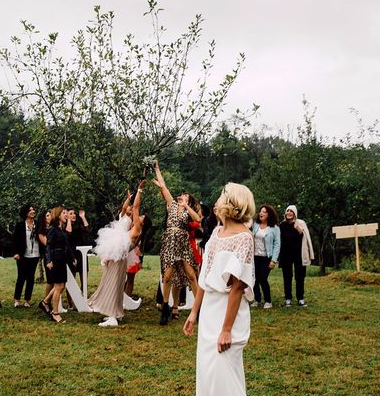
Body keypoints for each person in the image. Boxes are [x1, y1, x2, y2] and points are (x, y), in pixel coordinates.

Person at [183, 182, 256, 396]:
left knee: (223, 368)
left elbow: (237, 287)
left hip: (228, 313)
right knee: (207, 369)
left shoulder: (244, 237)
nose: (217, 199)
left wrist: (226, 330)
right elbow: (205, 275)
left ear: (232, 202)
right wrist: (195, 312)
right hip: (209, 311)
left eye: (222, 194)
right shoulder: (216, 233)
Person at [88, 182, 148, 326]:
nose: (140, 216)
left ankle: (112, 317)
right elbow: (129, 209)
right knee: (115, 283)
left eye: (142, 217)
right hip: (118, 258)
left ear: (142, 223)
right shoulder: (131, 229)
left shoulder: (137, 230)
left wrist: (140, 190)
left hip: (118, 258)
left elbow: (136, 207)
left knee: (113, 284)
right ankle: (116, 313)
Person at [153, 160, 202, 326]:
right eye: (183, 195)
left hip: (182, 243)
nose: (183, 197)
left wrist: (186, 206)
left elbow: (198, 219)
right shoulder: (171, 204)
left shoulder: (189, 211)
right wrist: (157, 169)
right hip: (169, 242)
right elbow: (163, 186)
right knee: (167, 276)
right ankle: (166, 308)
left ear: (189, 200)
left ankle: (199, 308)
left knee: (191, 275)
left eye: (187, 197)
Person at [42, 207, 75, 323]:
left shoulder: (61, 230)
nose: (66, 215)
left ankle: (45, 302)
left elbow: (67, 245)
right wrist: (49, 261)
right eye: (64, 213)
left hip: (62, 260)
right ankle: (55, 313)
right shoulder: (53, 229)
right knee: (59, 287)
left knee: (61, 286)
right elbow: (48, 246)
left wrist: (72, 258)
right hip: (55, 260)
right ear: (58, 215)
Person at [278, 205, 314, 307]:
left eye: (291, 211)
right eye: (287, 211)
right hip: (286, 255)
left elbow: (306, 239)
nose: (289, 213)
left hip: (299, 255)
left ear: (295, 213)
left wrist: (299, 230)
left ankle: (300, 298)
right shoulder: (282, 225)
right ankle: (288, 298)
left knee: (300, 277)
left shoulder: (300, 223)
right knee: (287, 277)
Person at [250, 205, 281, 309]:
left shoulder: (274, 228)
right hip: (255, 256)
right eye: (260, 212)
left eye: (264, 212)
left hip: (266, 257)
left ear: (269, 215)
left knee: (262, 278)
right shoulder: (255, 225)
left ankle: (268, 301)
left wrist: (273, 260)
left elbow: (277, 244)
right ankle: (257, 300)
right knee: (254, 279)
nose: (261, 213)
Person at [12, 204, 40, 308]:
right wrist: (15, 253)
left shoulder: (37, 224)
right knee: (21, 277)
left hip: (35, 254)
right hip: (23, 255)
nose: (33, 211)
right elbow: (15, 240)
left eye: (33, 209)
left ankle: (27, 300)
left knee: (31, 278)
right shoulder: (20, 225)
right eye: (30, 210)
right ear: (26, 213)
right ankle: (17, 299)